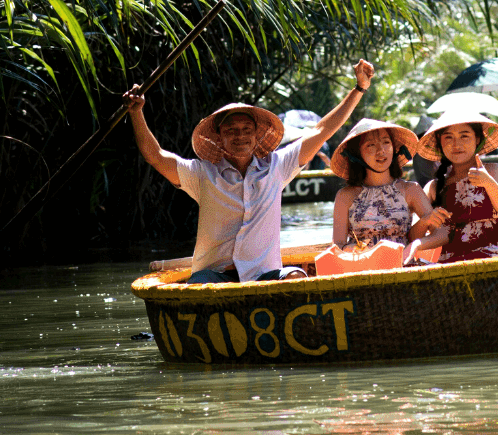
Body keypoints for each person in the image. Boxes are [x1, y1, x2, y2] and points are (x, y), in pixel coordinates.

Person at [126, 61, 373, 282]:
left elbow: (322, 130)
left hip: (263, 275)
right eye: (231, 130)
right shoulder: (202, 174)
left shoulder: (277, 166)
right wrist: (136, 113)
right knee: (200, 284)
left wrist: (359, 89)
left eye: (246, 129)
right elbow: (156, 157)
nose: (240, 136)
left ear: (257, 136)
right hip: (214, 276)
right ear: (219, 139)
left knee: (296, 276)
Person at [319, 119, 449, 273]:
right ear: (356, 154)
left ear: (394, 148)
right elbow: (337, 245)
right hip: (362, 270)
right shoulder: (345, 196)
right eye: (371, 145)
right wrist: (350, 248)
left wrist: (416, 245)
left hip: (403, 268)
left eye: (386, 142)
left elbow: (443, 233)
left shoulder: (410, 189)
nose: (381, 151)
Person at [419, 110, 498, 262]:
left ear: (477, 139)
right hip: (451, 265)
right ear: (440, 142)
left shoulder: (494, 171)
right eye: (448, 137)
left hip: (493, 261)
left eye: (464, 136)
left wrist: (487, 182)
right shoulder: (434, 187)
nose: (456, 144)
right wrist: (418, 239)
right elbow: (421, 233)